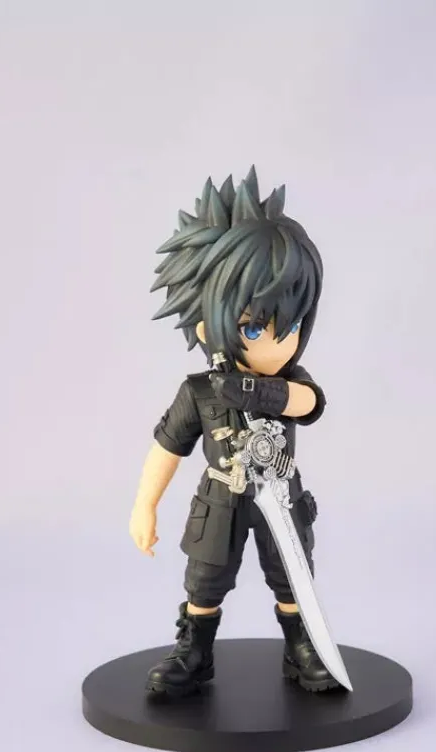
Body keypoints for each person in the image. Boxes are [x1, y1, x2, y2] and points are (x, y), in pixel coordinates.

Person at [129, 166, 337, 697]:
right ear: (208, 324)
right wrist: (144, 505)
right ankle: (195, 652)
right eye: (254, 327)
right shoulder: (200, 391)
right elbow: (167, 447)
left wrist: (258, 394)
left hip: (280, 493)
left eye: (290, 326)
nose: (277, 343)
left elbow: (310, 403)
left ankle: (301, 647)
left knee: (291, 573)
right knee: (205, 578)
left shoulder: (289, 382)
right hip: (221, 495)